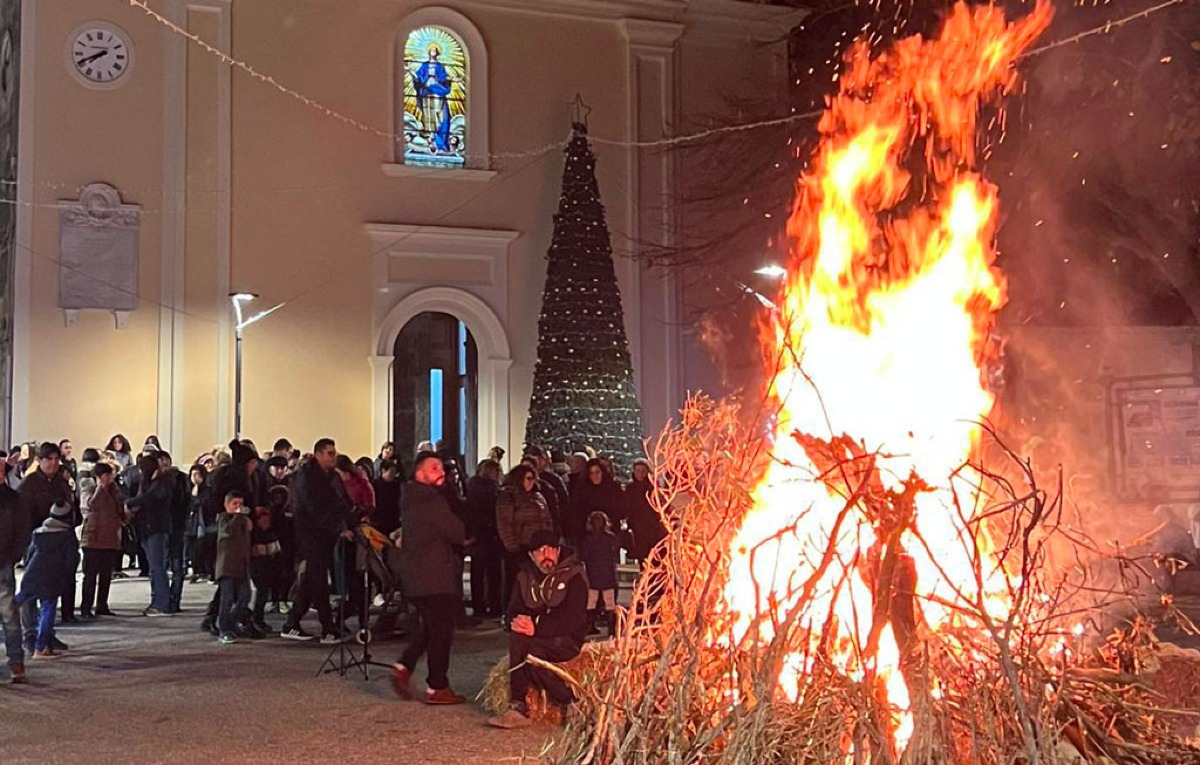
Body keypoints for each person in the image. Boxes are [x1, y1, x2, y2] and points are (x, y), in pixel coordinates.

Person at [487, 531, 590, 729]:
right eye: (540, 551)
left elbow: (574, 619)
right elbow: (512, 612)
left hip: (565, 639)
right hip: (534, 639)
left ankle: (570, 700)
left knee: (531, 655)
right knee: (520, 641)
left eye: (551, 549)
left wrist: (537, 626)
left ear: (558, 551)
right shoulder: (524, 577)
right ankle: (518, 706)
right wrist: (517, 623)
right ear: (531, 556)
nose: (547, 555)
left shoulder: (574, 574)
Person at [391, 451, 467, 705]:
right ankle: (437, 685)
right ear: (419, 473)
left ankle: (404, 666)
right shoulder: (431, 501)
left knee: (432, 626)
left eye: (441, 468)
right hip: (433, 576)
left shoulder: (412, 498)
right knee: (442, 630)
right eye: (434, 468)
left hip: (418, 574)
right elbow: (456, 531)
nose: (441, 472)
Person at [281, 439, 352, 643]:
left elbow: (339, 503)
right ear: (318, 454)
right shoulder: (307, 477)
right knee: (318, 580)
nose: (334, 456)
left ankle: (292, 623)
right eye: (330, 453)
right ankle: (328, 628)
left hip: (324, 535)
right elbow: (314, 509)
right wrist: (338, 528)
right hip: (310, 535)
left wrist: (351, 524)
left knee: (313, 579)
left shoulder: (329, 476)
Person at [17, 442, 74, 652]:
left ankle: (48, 633)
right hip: (36, 541)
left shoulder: (62, 483)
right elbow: (21, 516)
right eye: (48, 459)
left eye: (56, 459)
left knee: (52, 589)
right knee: (31, 589)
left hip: (59, 542)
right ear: (39, 461)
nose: (53, 463)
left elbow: (71, 509)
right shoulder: (29, 484)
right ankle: (30, 635)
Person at [15, 502, 79, 659]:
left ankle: (40, 645)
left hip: (32, 575)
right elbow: (71, 561)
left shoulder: (38, 532)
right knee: (47, 610)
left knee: (16, 602)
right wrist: (67, 579)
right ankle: (40, 647)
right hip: (52, 578)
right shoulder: (67, 536)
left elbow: (29, 556)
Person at [496, 464, 555, 610]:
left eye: (533, 479)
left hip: (539, 547)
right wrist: (512, 546)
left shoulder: (538, 497)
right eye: (528, 478)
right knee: (516, 581)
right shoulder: (508, 498)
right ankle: (511, 611)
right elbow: (504, 524)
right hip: (520, 546)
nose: (532, 482)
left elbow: (547, 519)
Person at [123, 454, 173, 616]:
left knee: (157, 567)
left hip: (156, 528)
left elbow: (148, 499)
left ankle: (162, 604)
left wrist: (129, 504)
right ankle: (156, 600)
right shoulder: (147, 482)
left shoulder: (162, 482)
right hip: (146, 528)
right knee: (153, 567)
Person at [79, 463, 124, 618]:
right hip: (93, 537)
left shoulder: (115, 490)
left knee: (106, 575)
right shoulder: (88, 489)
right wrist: (101, 488)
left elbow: (120, 508)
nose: (110, 478)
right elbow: (90, 506)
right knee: (90, 575)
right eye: (107, 475)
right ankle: (86, 607)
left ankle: (102, 605)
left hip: (110, 537)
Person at [0, 454, 30, 683]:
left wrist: (13, 556)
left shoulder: (12, 498)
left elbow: (22, 529)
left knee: (9, 614)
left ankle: (16, 663)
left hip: (3, 563)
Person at [465, 459, 503, 618]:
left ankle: (480, 605)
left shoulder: (473, 488)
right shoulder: (490, 490)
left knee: (480, 573)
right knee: (490, 573)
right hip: (487, 535)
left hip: (479, 535)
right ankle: (492, 605)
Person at [215, 491, 253, 644]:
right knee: (227, 598)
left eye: (241, 504)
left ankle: (234, 622)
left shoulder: (243, 521)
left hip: (242, 565)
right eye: (235, 504)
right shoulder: (223, 519)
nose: (239, 507)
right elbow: (227, 532)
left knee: (245, 596)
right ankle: (224, 628)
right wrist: (238, 516)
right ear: (227, 505)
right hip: (227, 566)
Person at [567, 458, 625, 545]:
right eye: (591, 473)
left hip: (610, 537)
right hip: (587, 538)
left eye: (597, 472)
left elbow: (621, 509)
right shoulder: (581, 491)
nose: (595, 476)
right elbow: (576, 513)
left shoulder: (612, 488)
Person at [580, 511, 620, 636]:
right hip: (606, 573)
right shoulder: (610, 538)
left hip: (594, 574)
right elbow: (614, 554)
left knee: (592, 602)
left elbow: (583, 556)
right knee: (608, 603)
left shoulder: (588, 539)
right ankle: (611, 628)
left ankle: (591, 626)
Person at [624, 458, 665, 565]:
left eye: (643, 471)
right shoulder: (630, 489)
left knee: (655, 557)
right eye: (638, 471)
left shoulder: (653, 488)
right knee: (643, 559)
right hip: (637, 529)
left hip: (652, 528)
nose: (640, 474)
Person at [371, 459, 402, 537]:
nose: (393, 474)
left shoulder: (397, 486)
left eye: (395, 472)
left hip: (393, 519)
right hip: (379, 520)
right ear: (383, 470)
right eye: (392, 471)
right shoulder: (374, 485)